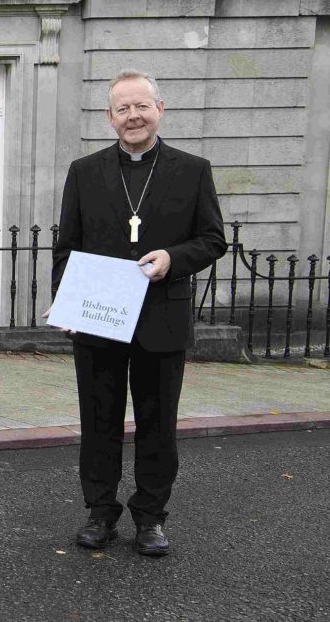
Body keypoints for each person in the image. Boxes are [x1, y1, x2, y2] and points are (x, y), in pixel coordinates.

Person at [51, 69, 227, 556]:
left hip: (161, 320)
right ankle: (100, 511)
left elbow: (213, 239)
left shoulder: (193, 169)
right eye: (123, 109)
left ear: (160, 109)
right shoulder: (84, 171)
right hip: (98, 319)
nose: (133, 116)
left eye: (141, 106)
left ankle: (150, 517)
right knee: (99, 421)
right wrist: (66, 303)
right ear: (110, 118)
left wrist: (173, 259)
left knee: (157, 425)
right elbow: (66, 248)